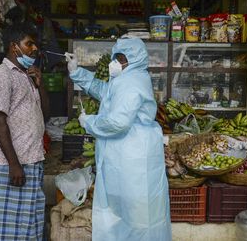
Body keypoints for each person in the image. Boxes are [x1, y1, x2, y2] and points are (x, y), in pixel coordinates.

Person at [67, 38, 172, 241]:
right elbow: (106, 93)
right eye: (116, 57)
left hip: (132, 159)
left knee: (135, 217)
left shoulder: (130, 82)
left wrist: (89, 122)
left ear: (133, 60)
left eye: (121, 58)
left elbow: (118, 122)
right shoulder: (130, 77)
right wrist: (77, 72)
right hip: (130, 156)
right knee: (131, 214)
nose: (114, 62)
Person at [0, 22, 49, 241]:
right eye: (29, 44)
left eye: (35, 44)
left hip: (30, 161)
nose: (34, 49)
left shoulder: (25, 76)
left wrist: (40, 85)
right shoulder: (1, 77)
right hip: (9, 166)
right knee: (4, 232)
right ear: (14, 46)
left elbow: (44, 114)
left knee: (28, 228)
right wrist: (14, 164)